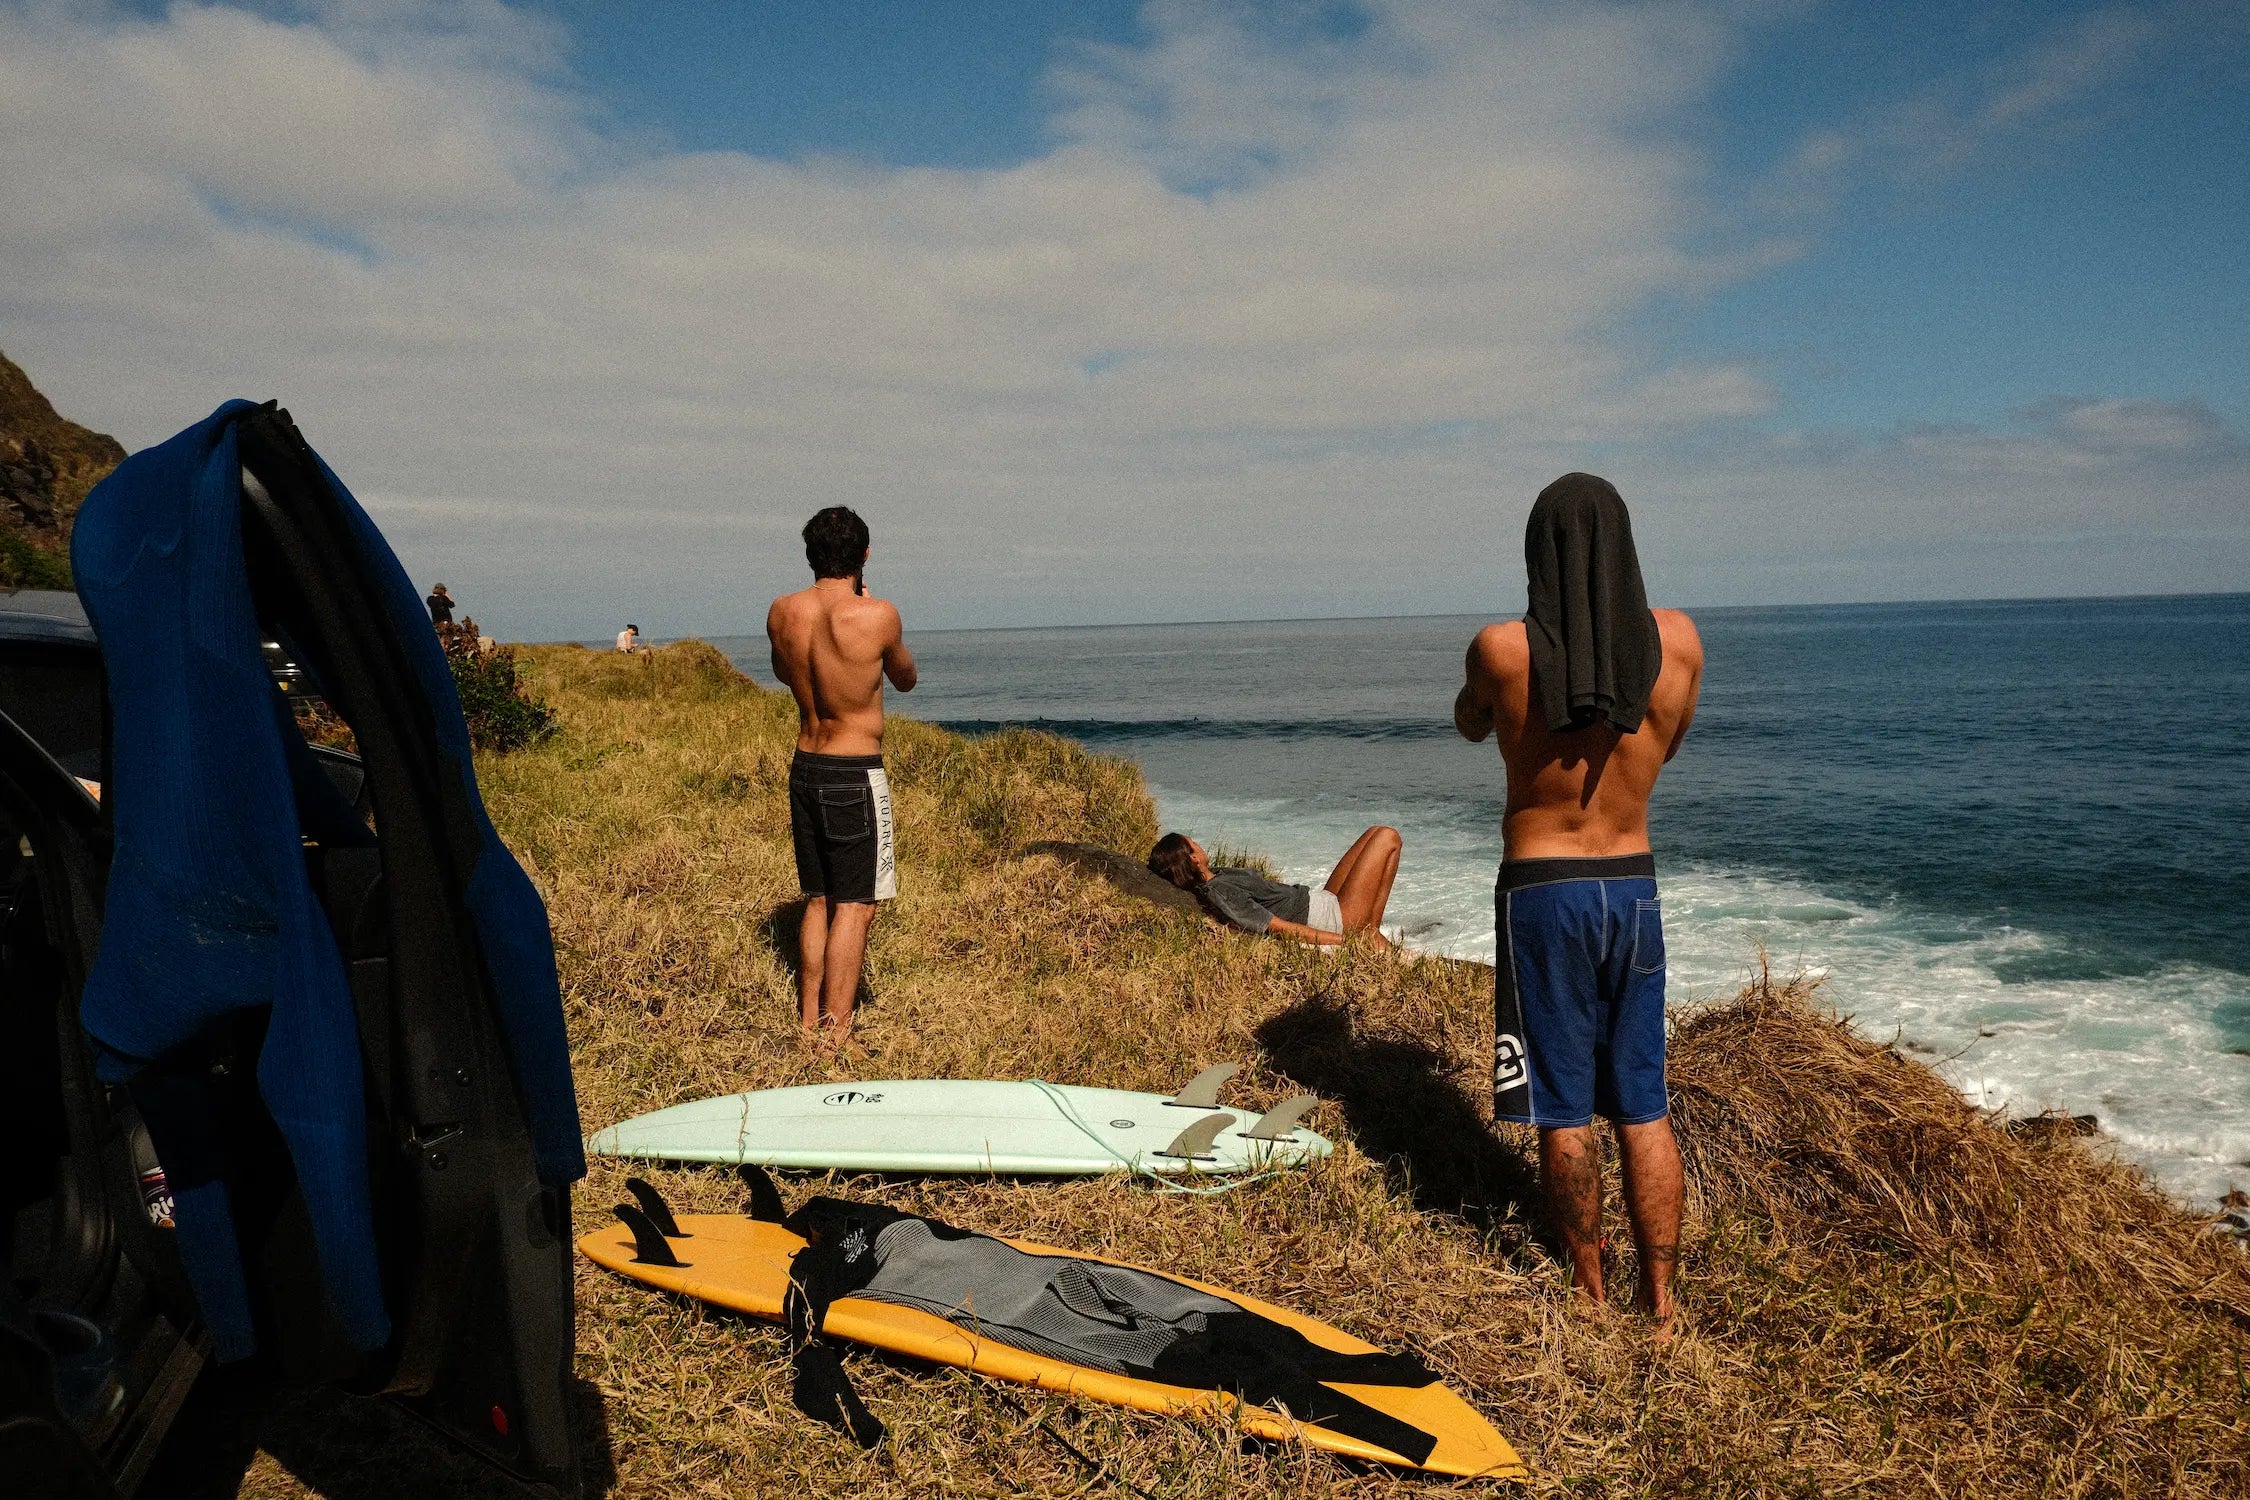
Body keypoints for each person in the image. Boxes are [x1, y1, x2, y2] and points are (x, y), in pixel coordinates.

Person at [1453, 472, 1703, 1340]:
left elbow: (1470, 724)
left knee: (1560, 1106)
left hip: (1543, 894)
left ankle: (1591, 1298)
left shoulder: (1503, 650)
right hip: (1634, 885)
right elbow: (1671, 734)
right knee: (1644, 1103)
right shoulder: (1678, 644)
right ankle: (1662, 1307)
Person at [767, 506, 917, 1042]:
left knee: (819, 898)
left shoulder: (782, 612)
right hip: (854, 771)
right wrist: (865, 603)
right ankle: (837, 1037)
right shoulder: (877, 614)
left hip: (805, 764)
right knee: (855, 905)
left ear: (810, 556)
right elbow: (905, 679)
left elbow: (787, 671)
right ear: (865, 556)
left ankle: (810, 1022)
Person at [1148, 829, 1399, 948]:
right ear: (1192, 857)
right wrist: (1343, 941)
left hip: (1320, 900)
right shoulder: (1220, 891)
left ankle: (1370, 930)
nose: (1199, 843)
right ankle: (1367, 932)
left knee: (1373, 833)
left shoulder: (1219, 876)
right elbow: (1280, 928)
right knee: (1388, 837)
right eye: (1193, 843)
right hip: (1333, 918)